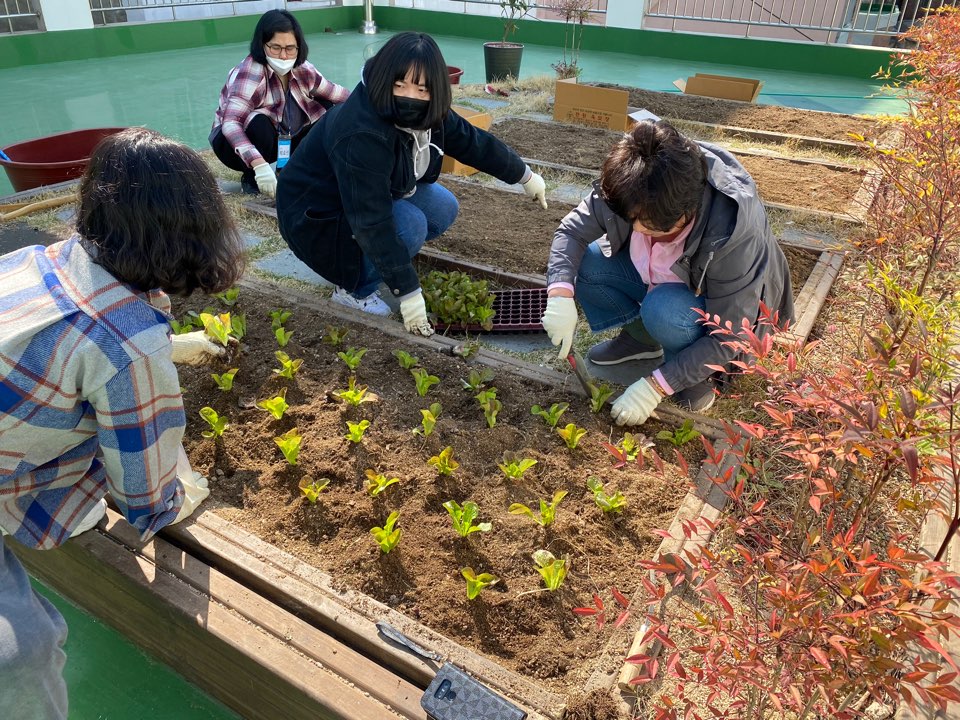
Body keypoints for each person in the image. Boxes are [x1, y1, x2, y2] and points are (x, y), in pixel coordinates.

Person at [0, 128, 245, 720]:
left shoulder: (41, 256)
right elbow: (142, 492)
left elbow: (67, 333)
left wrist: (164, 343)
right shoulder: (127, 349)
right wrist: (177, 495)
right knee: (20, 652)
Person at [276, 31, 548, 332]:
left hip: (352, 198)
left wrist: (525, 175)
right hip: (313, 218)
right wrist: (407, 291)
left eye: (421, 88)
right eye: (399, 85)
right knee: (409, 225)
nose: (410, 96)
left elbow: (473, 142)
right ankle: (354, 290)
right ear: (383, 79)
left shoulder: (428, 113)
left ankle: (374, 262)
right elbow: (370, 220)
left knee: (442, 207)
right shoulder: (361, 133)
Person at [541, 120, 794, 426]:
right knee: (587, 265)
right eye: (630, 219)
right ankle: (641, 340)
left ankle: (697, 378)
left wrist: (655, 386)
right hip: (656, 277)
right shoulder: (635, 179)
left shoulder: (731, 231)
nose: (635, 229)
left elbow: (729, 335)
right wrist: (559, 294)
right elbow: (571, 232)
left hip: (708, 311)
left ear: (687, 212)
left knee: (665, 310)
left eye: (648, 224)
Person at [210, 9, 350, 196]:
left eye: (290, 48)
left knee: (332, 109)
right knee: (258, 121)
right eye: (275, 47)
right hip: (232, 144)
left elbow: (338, 94)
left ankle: (294, 167)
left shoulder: (304, 70)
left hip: (284, 135)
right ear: (262, 45)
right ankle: (252, 175)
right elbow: (231, 123)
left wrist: (376, 103)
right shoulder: (250, 72)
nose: (284, 56)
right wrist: (259, 164)